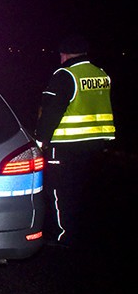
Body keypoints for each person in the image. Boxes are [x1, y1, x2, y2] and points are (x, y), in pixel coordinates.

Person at [35, 35, 116, 248]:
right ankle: (89, 232)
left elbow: (51, 111)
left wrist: (40, 141)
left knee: (60, 191)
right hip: (96, 144)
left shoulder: (65, 75)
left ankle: (63, 235)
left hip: (65, 146)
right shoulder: (100, 73)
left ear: (64, 54)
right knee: (86, 189)